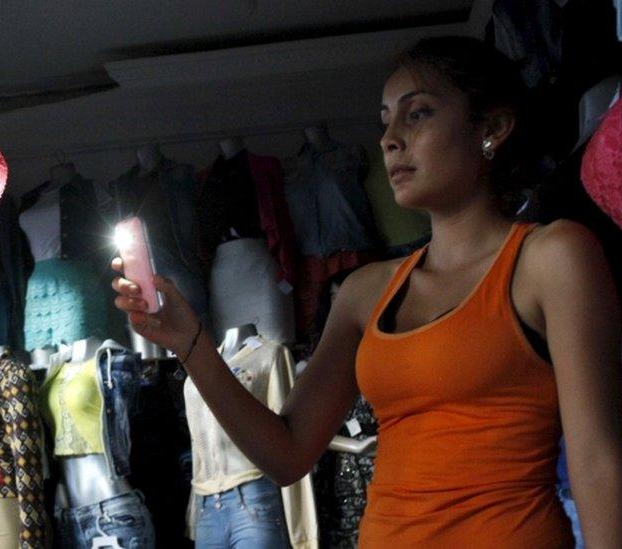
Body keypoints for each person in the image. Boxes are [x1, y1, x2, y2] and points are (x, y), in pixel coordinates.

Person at [111, 36, 621, 548]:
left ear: (491, 128)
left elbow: (598, 459)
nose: (390, 140)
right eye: (385, 121)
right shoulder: (365, 290)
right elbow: (287, 455)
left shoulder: (551, 257)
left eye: (417, 114)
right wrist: (189, 342)